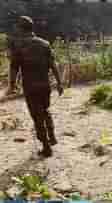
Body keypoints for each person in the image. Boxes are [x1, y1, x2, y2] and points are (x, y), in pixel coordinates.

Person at [5, 16, 63, 158]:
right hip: (45, 86)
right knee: (45, 110)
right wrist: (60, 83)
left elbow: (14, 69)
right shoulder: (44, 44)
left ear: (20, 29)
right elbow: (53, 65)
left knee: (37, 117)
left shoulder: (19, 47)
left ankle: (46, 147)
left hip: (30, 88)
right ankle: (52, 136)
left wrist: (12, 86)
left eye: (17, 27)